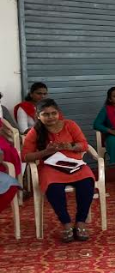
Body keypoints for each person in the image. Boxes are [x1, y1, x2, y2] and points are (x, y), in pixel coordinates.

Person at [22, 99, 96, 242]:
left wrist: (71, 146)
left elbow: (83, 144)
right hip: (50, 167)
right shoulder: (35, 132)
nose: (50, 117)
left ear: (59, 113)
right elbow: (25, 156)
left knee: (87, 182)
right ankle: (66, 223)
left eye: (53, 113)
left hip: (74, 164)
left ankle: (80, 222)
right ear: (38, 116)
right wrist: (45, 152)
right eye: (46, 114)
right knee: (53, 187)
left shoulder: (70, 125)